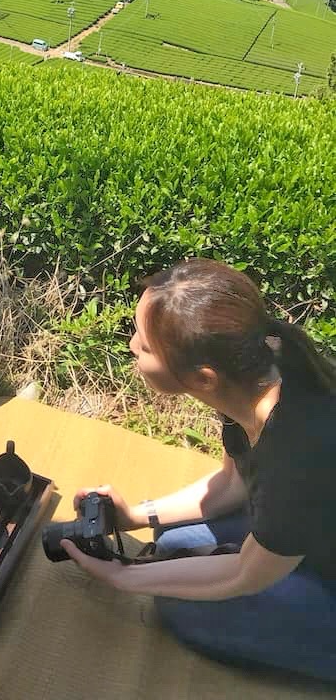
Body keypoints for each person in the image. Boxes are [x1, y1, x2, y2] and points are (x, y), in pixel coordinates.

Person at [62, 258, 336, 683]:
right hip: (310, 529)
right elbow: (233, 484)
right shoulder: (257, 371)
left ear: (203, 378)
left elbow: (242, 574)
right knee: (172, 543)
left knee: (181, 605)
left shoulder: (298, 457)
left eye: (146, 346)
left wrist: (123, 577)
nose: (133, 345)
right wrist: (136, 515)